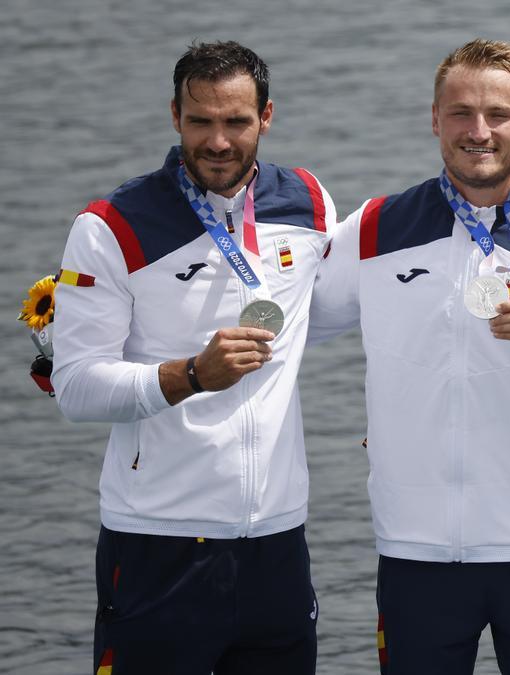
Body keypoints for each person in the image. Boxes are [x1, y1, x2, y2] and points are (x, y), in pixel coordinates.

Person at [309, 39, 510, 674]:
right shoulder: (375, 229)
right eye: (460, 113)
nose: (478, 131)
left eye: (498, 114)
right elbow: (291, 327)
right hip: (417, 550)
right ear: (434, 119)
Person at [51, 41, 336, 674]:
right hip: (158, 540)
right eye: (200, 120)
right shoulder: (111, 225)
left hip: (276, 543)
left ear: (266, 117)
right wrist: (189, 376)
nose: (217, 141)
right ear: (174, 116)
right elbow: (74, 386)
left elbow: (347, 303)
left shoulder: (310, 204)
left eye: (235, 122)